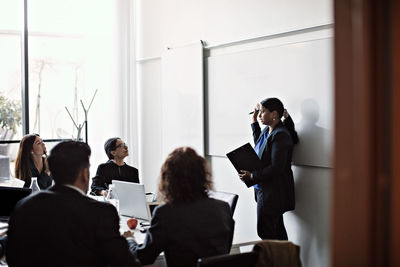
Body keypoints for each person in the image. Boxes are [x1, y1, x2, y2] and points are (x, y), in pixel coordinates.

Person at [6, 141, 141, 267]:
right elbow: (127, 264)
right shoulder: (102, 213)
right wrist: (129, 240)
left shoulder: (24, 206)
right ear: (84, 174)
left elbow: (12, 257)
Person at [130, 147, 234, 267]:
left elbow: (145, 257)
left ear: (168, 179)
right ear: (203, 175)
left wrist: (130, 241)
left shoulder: (166, 213)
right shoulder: (223, 208)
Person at [239, 97, 298, 240]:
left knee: (266, 233)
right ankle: (285, 259)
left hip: (273, 193)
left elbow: (276, 168)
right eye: (259, 112)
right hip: (264, 190)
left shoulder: (281, 135)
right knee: (276, 232)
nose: (259, 115)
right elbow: (261, 145)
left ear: (274, 114)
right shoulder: (267, 131)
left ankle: (276, 260)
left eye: (263, 112)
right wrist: (254, 120)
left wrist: (252, 176)